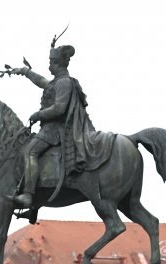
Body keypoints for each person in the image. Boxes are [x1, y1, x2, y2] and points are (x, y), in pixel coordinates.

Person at [11, 44, 107, 210]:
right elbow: (42, 82)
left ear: (59, 64)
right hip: (50, 128)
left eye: (52, 62)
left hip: (55, 130)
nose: (49, 66)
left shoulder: (64, 83)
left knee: (30, 151)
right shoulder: (56, 82)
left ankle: (28, 195)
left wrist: (38, 115)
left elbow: (59, 108)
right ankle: (34, 206)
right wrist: (24, 72)